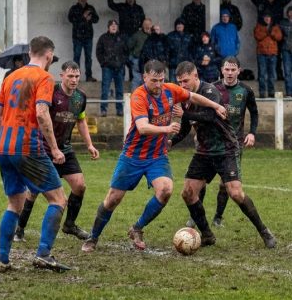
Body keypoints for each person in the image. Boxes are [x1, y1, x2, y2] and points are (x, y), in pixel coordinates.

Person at [80, 59, 227, 252]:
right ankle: (93, 237)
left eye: (161, 80)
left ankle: (137, 228)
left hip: (157, 156)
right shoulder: (138, 96)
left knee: (166, 190)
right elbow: (142, 128)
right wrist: (167, 128)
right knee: (113, 199)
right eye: (154, 81)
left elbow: (193, 96)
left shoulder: (170, 90)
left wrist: (215, 106)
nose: (158, 85)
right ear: (145, 77)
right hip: (133, 155)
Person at [170, 61, 275, 249]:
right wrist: (171, 142)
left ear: (195, 76)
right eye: (179, 82)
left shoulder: (210, 91)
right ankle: (207, 234)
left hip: (226, 149)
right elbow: (186, 128)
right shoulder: (184, 98)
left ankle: (264, 231)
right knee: (188, 193)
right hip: (204, 151)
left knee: (235, 193)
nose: (182, 86)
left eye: (185, 81)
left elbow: (210, 117)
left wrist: (184, 115)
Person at [0, 36, 71, 272]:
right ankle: (44, 254)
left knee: (14, 203)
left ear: (28, 53)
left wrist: (7, 139)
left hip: (5, 147)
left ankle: (2, 260)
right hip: (28, 146)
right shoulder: (44, 77)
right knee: (58, 199)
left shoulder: (11, 77)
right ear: (48, 56)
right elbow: (42, 113)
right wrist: (54, 148)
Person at [13, 61, 100, 243]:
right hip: (44, 149)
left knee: (79, 186)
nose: (74, 80)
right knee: (33, 191)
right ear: (61, 76)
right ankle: (20, 228)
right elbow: (39, 115)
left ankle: (69, 224)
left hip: (65, 150)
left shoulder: (80, 98)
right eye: (70, 76)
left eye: (77, 76)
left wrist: (89, 145)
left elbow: (81, 121)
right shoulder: (50, 92)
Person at [185, 56, 258, 228]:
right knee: (199, 182)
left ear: (239, 71)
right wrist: (197, 131)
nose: (230, 73)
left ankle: (218, 217)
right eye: (227, 69)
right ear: (222, 70)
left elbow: (254, 112)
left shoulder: (246, 90)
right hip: (209, 143)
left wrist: (252, 133)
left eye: (233, 69)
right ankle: (196, 217)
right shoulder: (213, 89)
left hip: (233, 143)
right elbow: (202, 112)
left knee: (226, 185)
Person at [245, 0, 292, 81]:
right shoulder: (261, 2)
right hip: (263, 33)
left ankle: (278, 75)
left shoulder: (279, 2)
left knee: (277, 56)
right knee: (262, 56)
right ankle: (263, 78)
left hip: (276, 32)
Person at [108, 0, 146, 81]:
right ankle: (122, 77)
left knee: (133, 57)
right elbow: (112, 5)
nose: (130, 0)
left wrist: (142, 30)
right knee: (123, 56)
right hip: (124, 35)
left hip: (135, 36)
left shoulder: (139, 8)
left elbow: (143, 20)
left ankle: (132, 77)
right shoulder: (122, 6)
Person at [96, 20, 128, 117]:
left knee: (120, 90)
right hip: (107, 68)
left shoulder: (122, 38)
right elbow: (99, 52)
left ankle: (119, 110)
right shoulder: (103, 38)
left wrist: (122, 63)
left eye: (115, 25)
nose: (113, 27)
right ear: (108, 27)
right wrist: (104, 63)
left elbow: (126, 52)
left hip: (119, 68)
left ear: (117, 27)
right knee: (105, 90)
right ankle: (103, 110)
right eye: (112, 25)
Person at [67, 0, 99, 82]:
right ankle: (75, 77)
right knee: (76, 57)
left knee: (88, 57)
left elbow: (97, 19)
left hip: (88, 37)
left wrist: (91, 18)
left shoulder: (90, 8)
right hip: (77, 37)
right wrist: (83, 17)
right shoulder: (74, 8)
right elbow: (70, 19)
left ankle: (89, 76)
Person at [254, 12, 283, 98]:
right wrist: (267, 32)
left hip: (272, 53)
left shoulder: (275, 27)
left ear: (271, 19)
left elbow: (279, 37)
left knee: (272, 75)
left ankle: (271, 92)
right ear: (263, 18)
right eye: (265, 17)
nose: (267, 19)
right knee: (262, 74)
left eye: (268, 17)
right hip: (261, 53)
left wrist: (272, 33)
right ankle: (262, 92)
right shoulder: (259, 26)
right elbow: (257, 36)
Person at [127, 18, 152, 88]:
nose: (147, 26)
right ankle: (135, 97)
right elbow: (128, 46)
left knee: (148, 80)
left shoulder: (153, 35)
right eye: (145, 24)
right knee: (137, 79)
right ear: (143, 25)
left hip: (149, 61)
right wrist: (132, 57)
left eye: (149, 24)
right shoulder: (137, 35)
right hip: (137, 60)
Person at [167, 18, 193, 83]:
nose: (179, 26)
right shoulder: (170, 36)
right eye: (177, 24)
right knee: (172, 84)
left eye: (181, 24)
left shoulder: (188, 36)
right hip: (173, 64)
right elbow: (166, 50)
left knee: (184, 84)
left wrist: (190, 61)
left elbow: (191, 50)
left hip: (184, 65)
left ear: (184, 26)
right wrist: (167, 60)